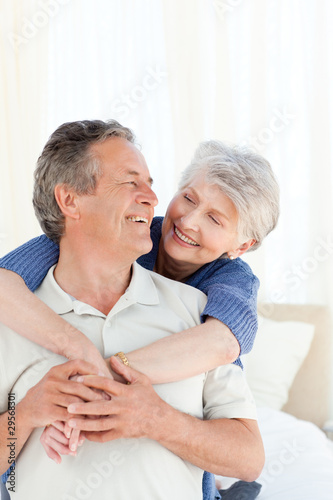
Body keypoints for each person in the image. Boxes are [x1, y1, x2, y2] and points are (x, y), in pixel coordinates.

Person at [0, 119, 264, 500]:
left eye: (151, 185)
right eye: (131, 182)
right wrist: (24, 416)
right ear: (70, 200)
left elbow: (249, 458)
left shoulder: (203, 311)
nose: (154, 200)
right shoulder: (14, 312)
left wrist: (156, 418)